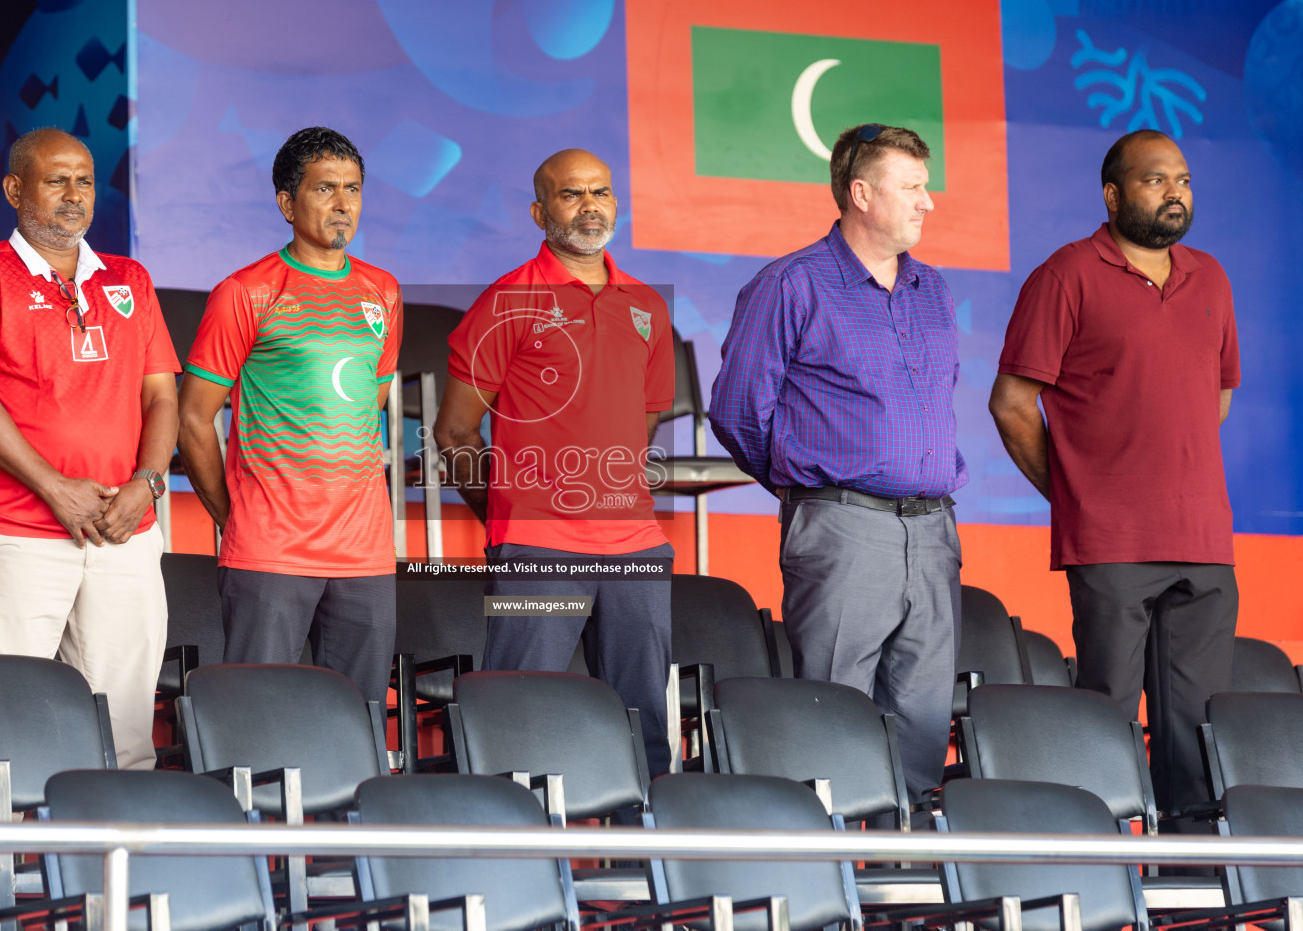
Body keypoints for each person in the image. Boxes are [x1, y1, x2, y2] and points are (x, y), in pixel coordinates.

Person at [710, 124, 965, 801]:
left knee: (921, 719)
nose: (927, 202)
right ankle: (827, 887)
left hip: (935, 531)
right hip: (843, 527)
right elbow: (738, 411)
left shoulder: (933, 290)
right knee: (832, 714)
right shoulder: (791, 284)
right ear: (860, 193)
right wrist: (813, 488)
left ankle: (903, 888)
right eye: (911, 187)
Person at [990, 129, 1239, 821]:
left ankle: (1192, 922)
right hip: (1111, 545)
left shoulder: (1211, 277)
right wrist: (1082, 494)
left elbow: (1214, 397)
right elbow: (1010, 404)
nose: (1174, 193)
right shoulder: (1066, 274)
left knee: (1198, 743)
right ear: (1112, 193)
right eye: (1156, 179)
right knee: (1106, 728)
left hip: (1205, 544)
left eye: (1183, 180)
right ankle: (1096, 919)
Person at [0, 127, 179, 770]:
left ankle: (115, 872)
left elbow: (163, 400)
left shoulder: (130, 279)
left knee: (126, 734)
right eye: (57, 179)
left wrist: (146, 485)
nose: (75, 195)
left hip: (124, 532)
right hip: (20, 533)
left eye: (86, 180)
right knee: (1, 727)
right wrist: (56, 488)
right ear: (15, 189)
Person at [435, 148, 677, 779]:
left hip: (637, 550)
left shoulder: (648, 306)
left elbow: (640, 428)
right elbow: (455, 432)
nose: (590, 205)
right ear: (540, 211)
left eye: (600, 192)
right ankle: (508, 864)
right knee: (516, 717)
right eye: (571, 194)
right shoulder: (506, 299)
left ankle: (647, 864)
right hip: (537, 552)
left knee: (646, 724)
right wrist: (511, 521)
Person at [178, 127, 401, 703]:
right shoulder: (246, 292)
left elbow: (365, 409)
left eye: (353, 188)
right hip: (271, 547)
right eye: (326, 188)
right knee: (259, 720)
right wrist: (235, 518)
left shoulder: (383, 292)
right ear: (286, 203)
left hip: (365, 552)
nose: (343, 203)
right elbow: (193, 419)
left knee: (362, 723)